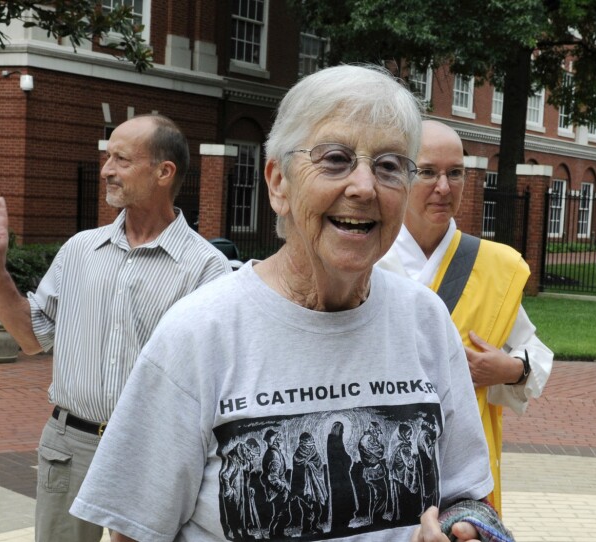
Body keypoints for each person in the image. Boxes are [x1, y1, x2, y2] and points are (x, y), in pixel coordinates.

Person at [69, 64, 507, 542]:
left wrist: (468, 528)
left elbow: (467, 496)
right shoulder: (199, 332)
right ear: (278, 182)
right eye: (335, 159)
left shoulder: (425, 319)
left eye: (388, 166)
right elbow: (133, 533)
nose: (364, 187)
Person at [0, 113, 231, 542]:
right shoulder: (80, 249)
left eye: (121, 159)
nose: (106, 169)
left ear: (163, 172)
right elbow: (32, 339)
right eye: (107, 158)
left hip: (154, 451)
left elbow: (212, 379)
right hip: (71, 444)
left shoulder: (206, 269)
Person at [377, 119, 553, 514]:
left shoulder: (493, 266)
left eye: (455, 173)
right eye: (427, 172)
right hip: (380, 455)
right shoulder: (366, 259)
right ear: (397, 175)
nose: (444, 187)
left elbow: (534, 354)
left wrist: (509, 370)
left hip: (464, 470)